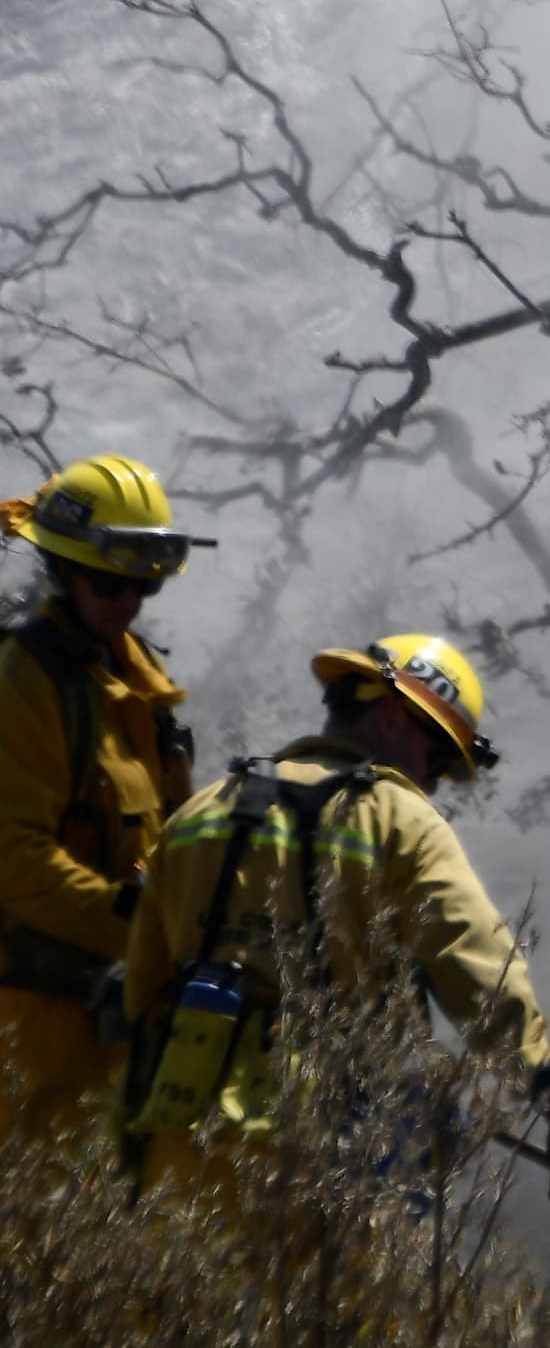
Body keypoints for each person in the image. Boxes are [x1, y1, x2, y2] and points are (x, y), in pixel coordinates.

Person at [120, 632, 550, 1201]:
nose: (436, 781)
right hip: (321, 1150)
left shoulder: (202, 809)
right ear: (394, 717)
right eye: (438, 756)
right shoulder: (400, 819)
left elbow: (141, 988)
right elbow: (480, 972)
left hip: (181, 1135)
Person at [0, 453, 202, 1139]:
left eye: (142, 583)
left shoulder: (135, 685)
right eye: (109, 578)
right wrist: (145, 925)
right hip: (35, 1028)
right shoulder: (23, 682)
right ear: (62, 567)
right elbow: (17, 865)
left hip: (122, 1022)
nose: (127, 598)